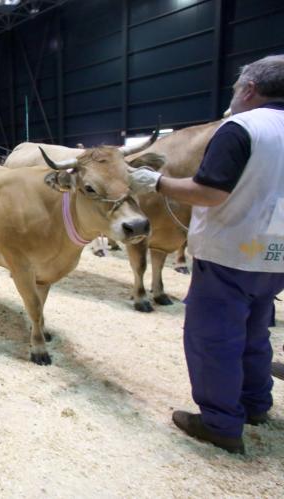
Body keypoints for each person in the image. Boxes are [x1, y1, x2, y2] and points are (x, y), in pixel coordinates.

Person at [130, 54, 284, 455]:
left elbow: (210, 192)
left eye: (236, 88)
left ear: (249, 89)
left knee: (214, 337)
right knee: (255, 331)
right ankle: (256, 404)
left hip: (232, 249)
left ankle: (220, 423)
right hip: (274, 249)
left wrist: (158, 182)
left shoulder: (241, 127)